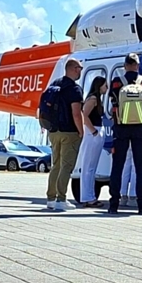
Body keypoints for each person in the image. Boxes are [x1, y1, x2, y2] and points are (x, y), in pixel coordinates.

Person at [108, 53, 142, 215]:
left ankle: (114, 204)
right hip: (140, 128)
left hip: (121, 127)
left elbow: (113, 103)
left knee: (117, 166)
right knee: (140, 166)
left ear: (125, 65)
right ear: (137, 65)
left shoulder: (116, 82)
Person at [45, 58, 84, 211]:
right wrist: (81, 131)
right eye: (79, 68)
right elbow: (76, 113)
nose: (80, 70)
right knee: (66, 166)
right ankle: (61, 199)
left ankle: (50, 198)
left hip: (53, 131)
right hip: (69, 132)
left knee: (56, 165)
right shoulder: (74, 89)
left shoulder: (54, 84)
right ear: (74, 68)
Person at [77, 76, 107, 207]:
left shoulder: (97, 99)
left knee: (92, 167)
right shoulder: (93, 99)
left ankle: (90, 196)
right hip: (92, 133)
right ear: (99, 85)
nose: (106, 88)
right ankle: (87, 197)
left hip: (96, 132)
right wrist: (93, 131)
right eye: (105, 85)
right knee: (88, 166)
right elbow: (84, 115)